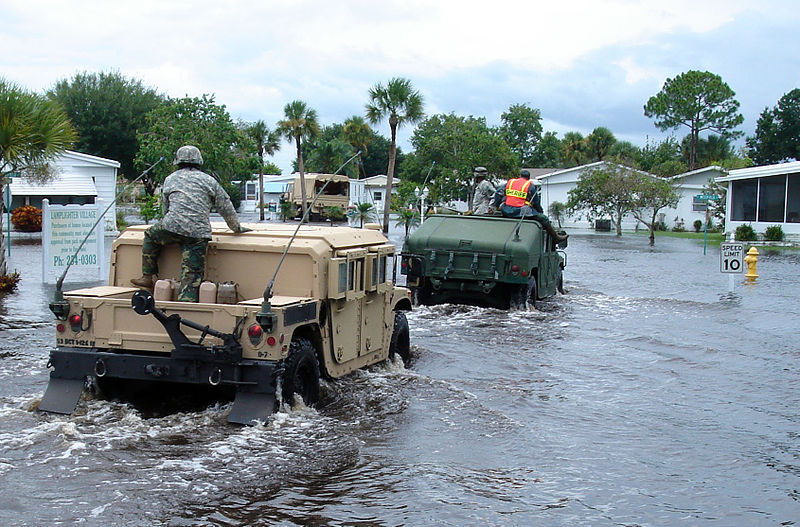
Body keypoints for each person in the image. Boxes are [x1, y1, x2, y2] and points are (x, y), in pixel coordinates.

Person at [130, 145, 251, 301]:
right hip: (197, 233)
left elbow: (165, 209)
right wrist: (237, 228)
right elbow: (225, 206)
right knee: (192, 274)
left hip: (171, 227)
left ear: (178, 161)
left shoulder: (170, 179)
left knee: (150, 235)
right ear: (199, 161)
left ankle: (147, 276)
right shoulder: (209, 181)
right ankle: (186, 304)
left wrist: (169, 224)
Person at [494, 170, 568, 243]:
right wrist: (540, 212)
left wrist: (497, 205)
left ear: (520, 176)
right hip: (522, 212)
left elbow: (498, 193)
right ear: (528, 178)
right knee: (544, 219)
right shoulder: (530, 186)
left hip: (506, 210)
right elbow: (536, 202)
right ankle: (556, 238)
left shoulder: (510, 182)